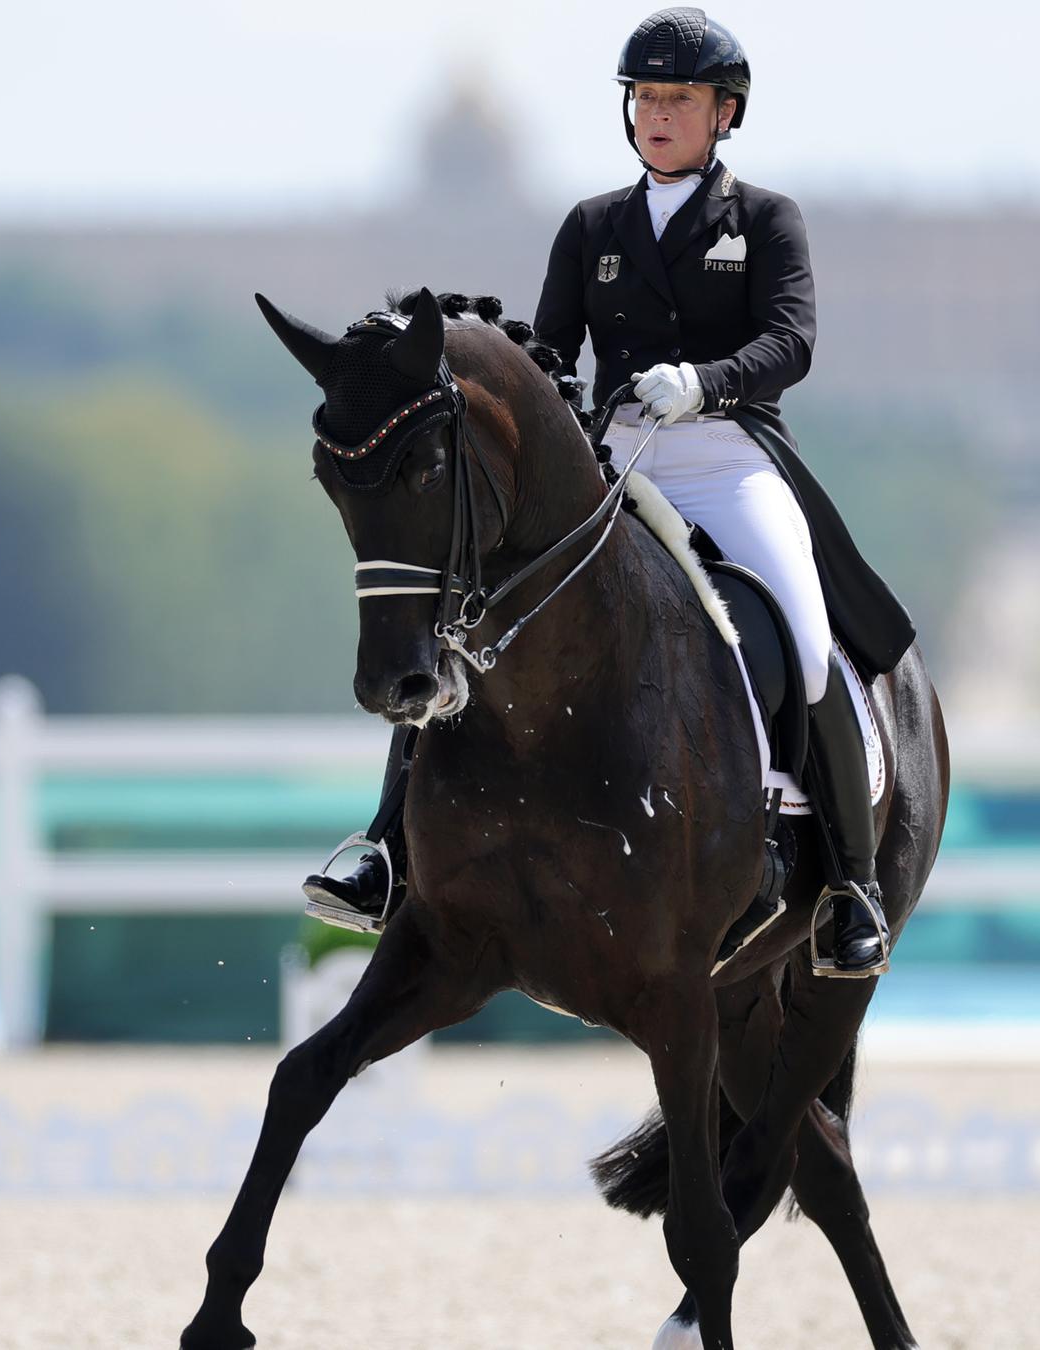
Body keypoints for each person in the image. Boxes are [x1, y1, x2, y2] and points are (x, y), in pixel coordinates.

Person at [303, 6, 908, 978]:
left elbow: (790, 343)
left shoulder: (764, 222)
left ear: (724, 114)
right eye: (648, 98)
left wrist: (704, 381)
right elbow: (545, 359)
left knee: (798, 625)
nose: (660, 115)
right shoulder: (592, 227)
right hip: (617, 458)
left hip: (726, 453)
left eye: (680, 99)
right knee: (467, 621)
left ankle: (846, 883)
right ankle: (385, 851)